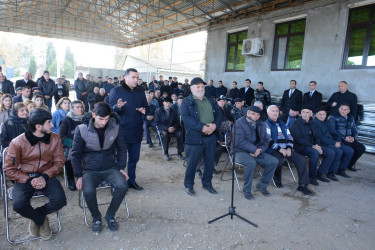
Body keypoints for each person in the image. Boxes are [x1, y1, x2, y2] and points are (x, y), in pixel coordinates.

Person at [4, 109, 67, 240]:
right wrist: (28, 180)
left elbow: (60, 161)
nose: (53, 125)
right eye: (49, 122)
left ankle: (37, 215)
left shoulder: (55, 138)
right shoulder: (17, 142)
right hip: (24, 177)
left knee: (60, 200)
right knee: (19, 205)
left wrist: (44, 176)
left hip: (47, 174)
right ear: (38, 127)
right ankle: (40, 220)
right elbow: (9, 168)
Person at [71, 102, 128, 233]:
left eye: (106, 119)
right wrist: (79, 176)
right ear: (93, 115)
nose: (103, 122)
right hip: (90, 170)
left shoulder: (115, 126)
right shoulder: (82, 129)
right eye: (100, 119)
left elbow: (122, 148)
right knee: (89, 191)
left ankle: (110, 214)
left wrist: (120, 167)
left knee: (123, 185)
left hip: (110, 167)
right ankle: (96, 217)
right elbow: (75, 155)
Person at [181, 77, 222, 196]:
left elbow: (219, 115)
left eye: (202, 86)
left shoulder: (211, 100)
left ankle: (207, 184)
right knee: (192, 163)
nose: (200, 88)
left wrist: (215, 125)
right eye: (198, 86)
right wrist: (202, 127)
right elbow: (187, 119)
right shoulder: (186, 102)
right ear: (191, 88)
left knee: (209, 162)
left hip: (211, 136)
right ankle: (189, 185)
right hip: (195, 137)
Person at [109, 68, 148, 191]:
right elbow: (110, 111)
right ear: (125, 77)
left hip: (136, 130)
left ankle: (131, 181)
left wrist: (144, 111)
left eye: (137, 77)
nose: (136, 80)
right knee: (120, 160)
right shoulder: (116, 91)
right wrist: (117, 107)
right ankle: (117, 184)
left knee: (134, 159)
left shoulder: (140, 91)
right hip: (122, 131)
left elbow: (146, 107)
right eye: (133, 77)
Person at [233, 106, 278, 200]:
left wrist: (259, 150)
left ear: (258, 116)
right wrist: (253, 149)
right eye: (248, 112)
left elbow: (266, 141)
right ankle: (247, 190)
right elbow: (239, 142)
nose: (249, 115)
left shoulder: (261, 124)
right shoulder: (239, 123)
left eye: (253, 114)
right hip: (239, 151)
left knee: (273, 161)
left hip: (257, 151)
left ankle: (262, 185)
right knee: (251, 163)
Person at [265, 105, 312, 195]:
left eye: (277, 111)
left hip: (286, 149)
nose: (275, 112)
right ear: (268, 113)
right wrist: (280, 149)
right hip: (273, 149)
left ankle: (302, 185)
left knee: (301, 159)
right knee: (280, 160)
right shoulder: (266, 124)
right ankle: (277, 178)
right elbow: (268, 140)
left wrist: (289, 148)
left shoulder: (282, 124)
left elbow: (290, 137)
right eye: (273, 111)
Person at [290, 106, 335, 185]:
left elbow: (317, 137)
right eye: (303, 112)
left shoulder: (312, 123)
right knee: (314, 152)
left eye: (307, 112)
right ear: (300, 114)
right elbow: (297, 139)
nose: (305, 114)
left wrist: (318, 146)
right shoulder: (296, 123)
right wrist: (313, 146)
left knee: (331, 152)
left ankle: (320, 173)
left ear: (311, 114)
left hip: (313, 146)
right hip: (300, 147)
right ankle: (312, 177)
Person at [313, 107, 354, 179]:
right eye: (320, 114)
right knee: (338, 151)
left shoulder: (327, 122)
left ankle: (341, 170)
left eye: (324, 114)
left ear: (326, 115)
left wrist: (338, 140)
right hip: (323, 143)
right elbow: (321, 138)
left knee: (350, 150)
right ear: (316, 115)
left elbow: (334, 132)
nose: (322, 116)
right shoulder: (315, 124)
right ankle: (329, 172)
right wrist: (334, 143)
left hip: (332, 141)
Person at [59, 100, 91, 191]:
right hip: (71, 145)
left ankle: (87, 178)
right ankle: (71, 180)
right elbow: (62, 136)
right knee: (70, 158)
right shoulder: (66, 120)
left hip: (86, 144)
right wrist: (75, 144)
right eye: (77, 107)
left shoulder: (87, 118)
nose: (80, 109)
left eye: (81, 107)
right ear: (72, 109)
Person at [327, 104, 366, 172]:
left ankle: (349, 165)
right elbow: (333, 131)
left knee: (361, 148)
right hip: (339, 138)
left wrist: (353, 137)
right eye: (341, 109)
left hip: (349, 138)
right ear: (339, 109)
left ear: (348, 111)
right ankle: (341, 169)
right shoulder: (333, 117)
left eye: (345, 109)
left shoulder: (351, 117)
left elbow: (355, 130)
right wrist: (344, 138)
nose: (343, 111)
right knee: (350, 150)